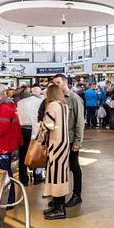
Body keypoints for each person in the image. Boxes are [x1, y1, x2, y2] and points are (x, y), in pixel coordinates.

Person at [44, 74, 85, 208]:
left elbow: (79, 122)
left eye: (58, 83)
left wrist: (78, 142)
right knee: (60, 170)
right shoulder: (57, 101)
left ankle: (77, 195)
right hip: (58, 141)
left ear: (65, 82)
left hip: (71, 139)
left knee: (74, 167)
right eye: (54, 83)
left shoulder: (74, 99)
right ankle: (59, 197)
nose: (56, 85)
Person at [39, 83, 71, 220]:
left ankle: (60, 209)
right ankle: (57, 205)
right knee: (61, 175)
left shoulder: (52, 106)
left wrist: (40, 126)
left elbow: (49, 125)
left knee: (56, 175)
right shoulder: (64, 106)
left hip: (55, 144)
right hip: (64, 143)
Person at [17, 86, 44, 186]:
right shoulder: (40, 102)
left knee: (23, 155)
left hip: (22, 130)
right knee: (37, 153)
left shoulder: (20, 102)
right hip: (35, 130)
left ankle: (23, 179)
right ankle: (37, 177)